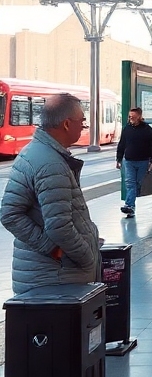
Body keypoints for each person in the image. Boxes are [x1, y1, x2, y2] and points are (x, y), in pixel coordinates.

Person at [0, 93, 102, 295]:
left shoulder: (35, 151)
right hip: (57, 278)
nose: (83, 126)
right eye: (82, 121)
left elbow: (11, 213)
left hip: (43, 275)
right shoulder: (51, 164)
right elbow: (59, 226)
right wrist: (83, 256)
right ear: (67, 124)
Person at [115, 106, 152, 218]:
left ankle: (131, 205)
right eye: (129, 116)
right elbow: (122, 144)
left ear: (139, 117)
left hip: (143, 161)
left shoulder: (147, 130)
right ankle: (129, 206)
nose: (130, 118)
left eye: (133, 116)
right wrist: (118, 159)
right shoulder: (127, 129)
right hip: (129, 161)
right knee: (130, 183)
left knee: (137, 184)